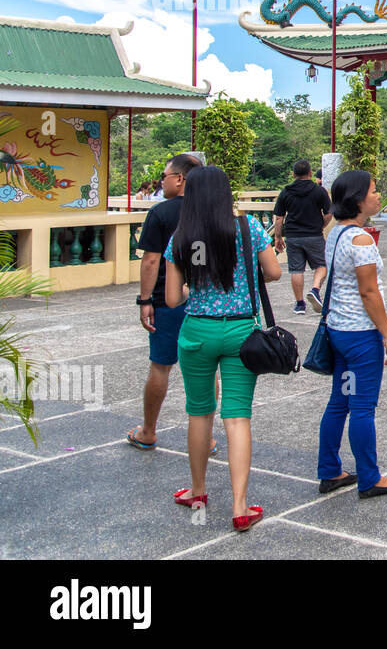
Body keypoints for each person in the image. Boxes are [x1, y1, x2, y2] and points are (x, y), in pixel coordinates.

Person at [164, 165, 281, 532]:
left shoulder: (181, 237)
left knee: (200, 413)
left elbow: (171, 298)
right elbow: (275, 273)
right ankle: (241, 506)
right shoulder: (249, 229)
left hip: (197, 332)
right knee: (237, 416)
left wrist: (194, 291)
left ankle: (198, 492)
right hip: (241, 333)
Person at [316, 170, 387, 499]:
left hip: (338, 331)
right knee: (363, 408)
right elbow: (369, 293)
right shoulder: (362, 239)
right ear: (357, 200)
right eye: (373, 190)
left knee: (340, 402)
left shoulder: (335, 234)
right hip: (362, 337)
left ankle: (330, 470)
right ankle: (370, 477)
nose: (378, 195)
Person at [128, 154, 213, 455]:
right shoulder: (212, 213)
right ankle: (207, 437)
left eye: (164, 176)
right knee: (205, 371)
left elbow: (151, 260)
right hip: (206, 301)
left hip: (168, 300)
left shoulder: (161, 213)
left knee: (160, 366)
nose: (161, 181)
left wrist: (145, 300)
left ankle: (149, 431)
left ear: (179, 179)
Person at [272, 159, 332, 315]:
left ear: (293, 174)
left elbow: (279, 218)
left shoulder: (286, 192)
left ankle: (299, 304)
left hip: (293, 236)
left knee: (296, 270)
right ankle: (315, 289)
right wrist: (322, 225)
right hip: (314, 235)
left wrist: (277, 238)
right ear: (311, 173)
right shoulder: (319, 191)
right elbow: (329, 212)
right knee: (322, 265)